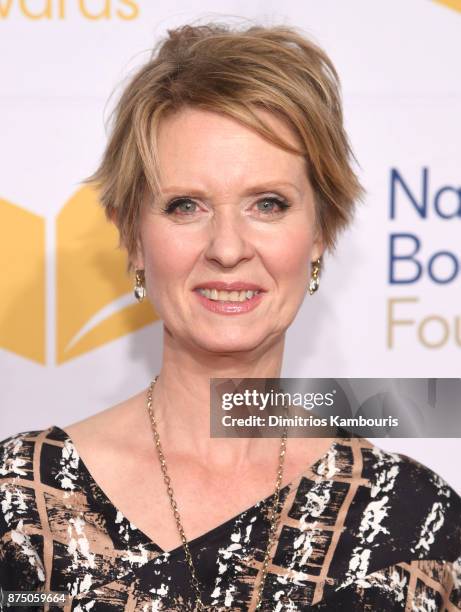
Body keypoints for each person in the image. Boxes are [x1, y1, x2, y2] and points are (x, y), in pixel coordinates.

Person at [1, 21, 460, 612]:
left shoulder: (411, 521)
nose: (226, 247)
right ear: (133, 238)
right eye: (185, 206)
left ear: (321, 230)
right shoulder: (22, 506)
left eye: (268, 204)